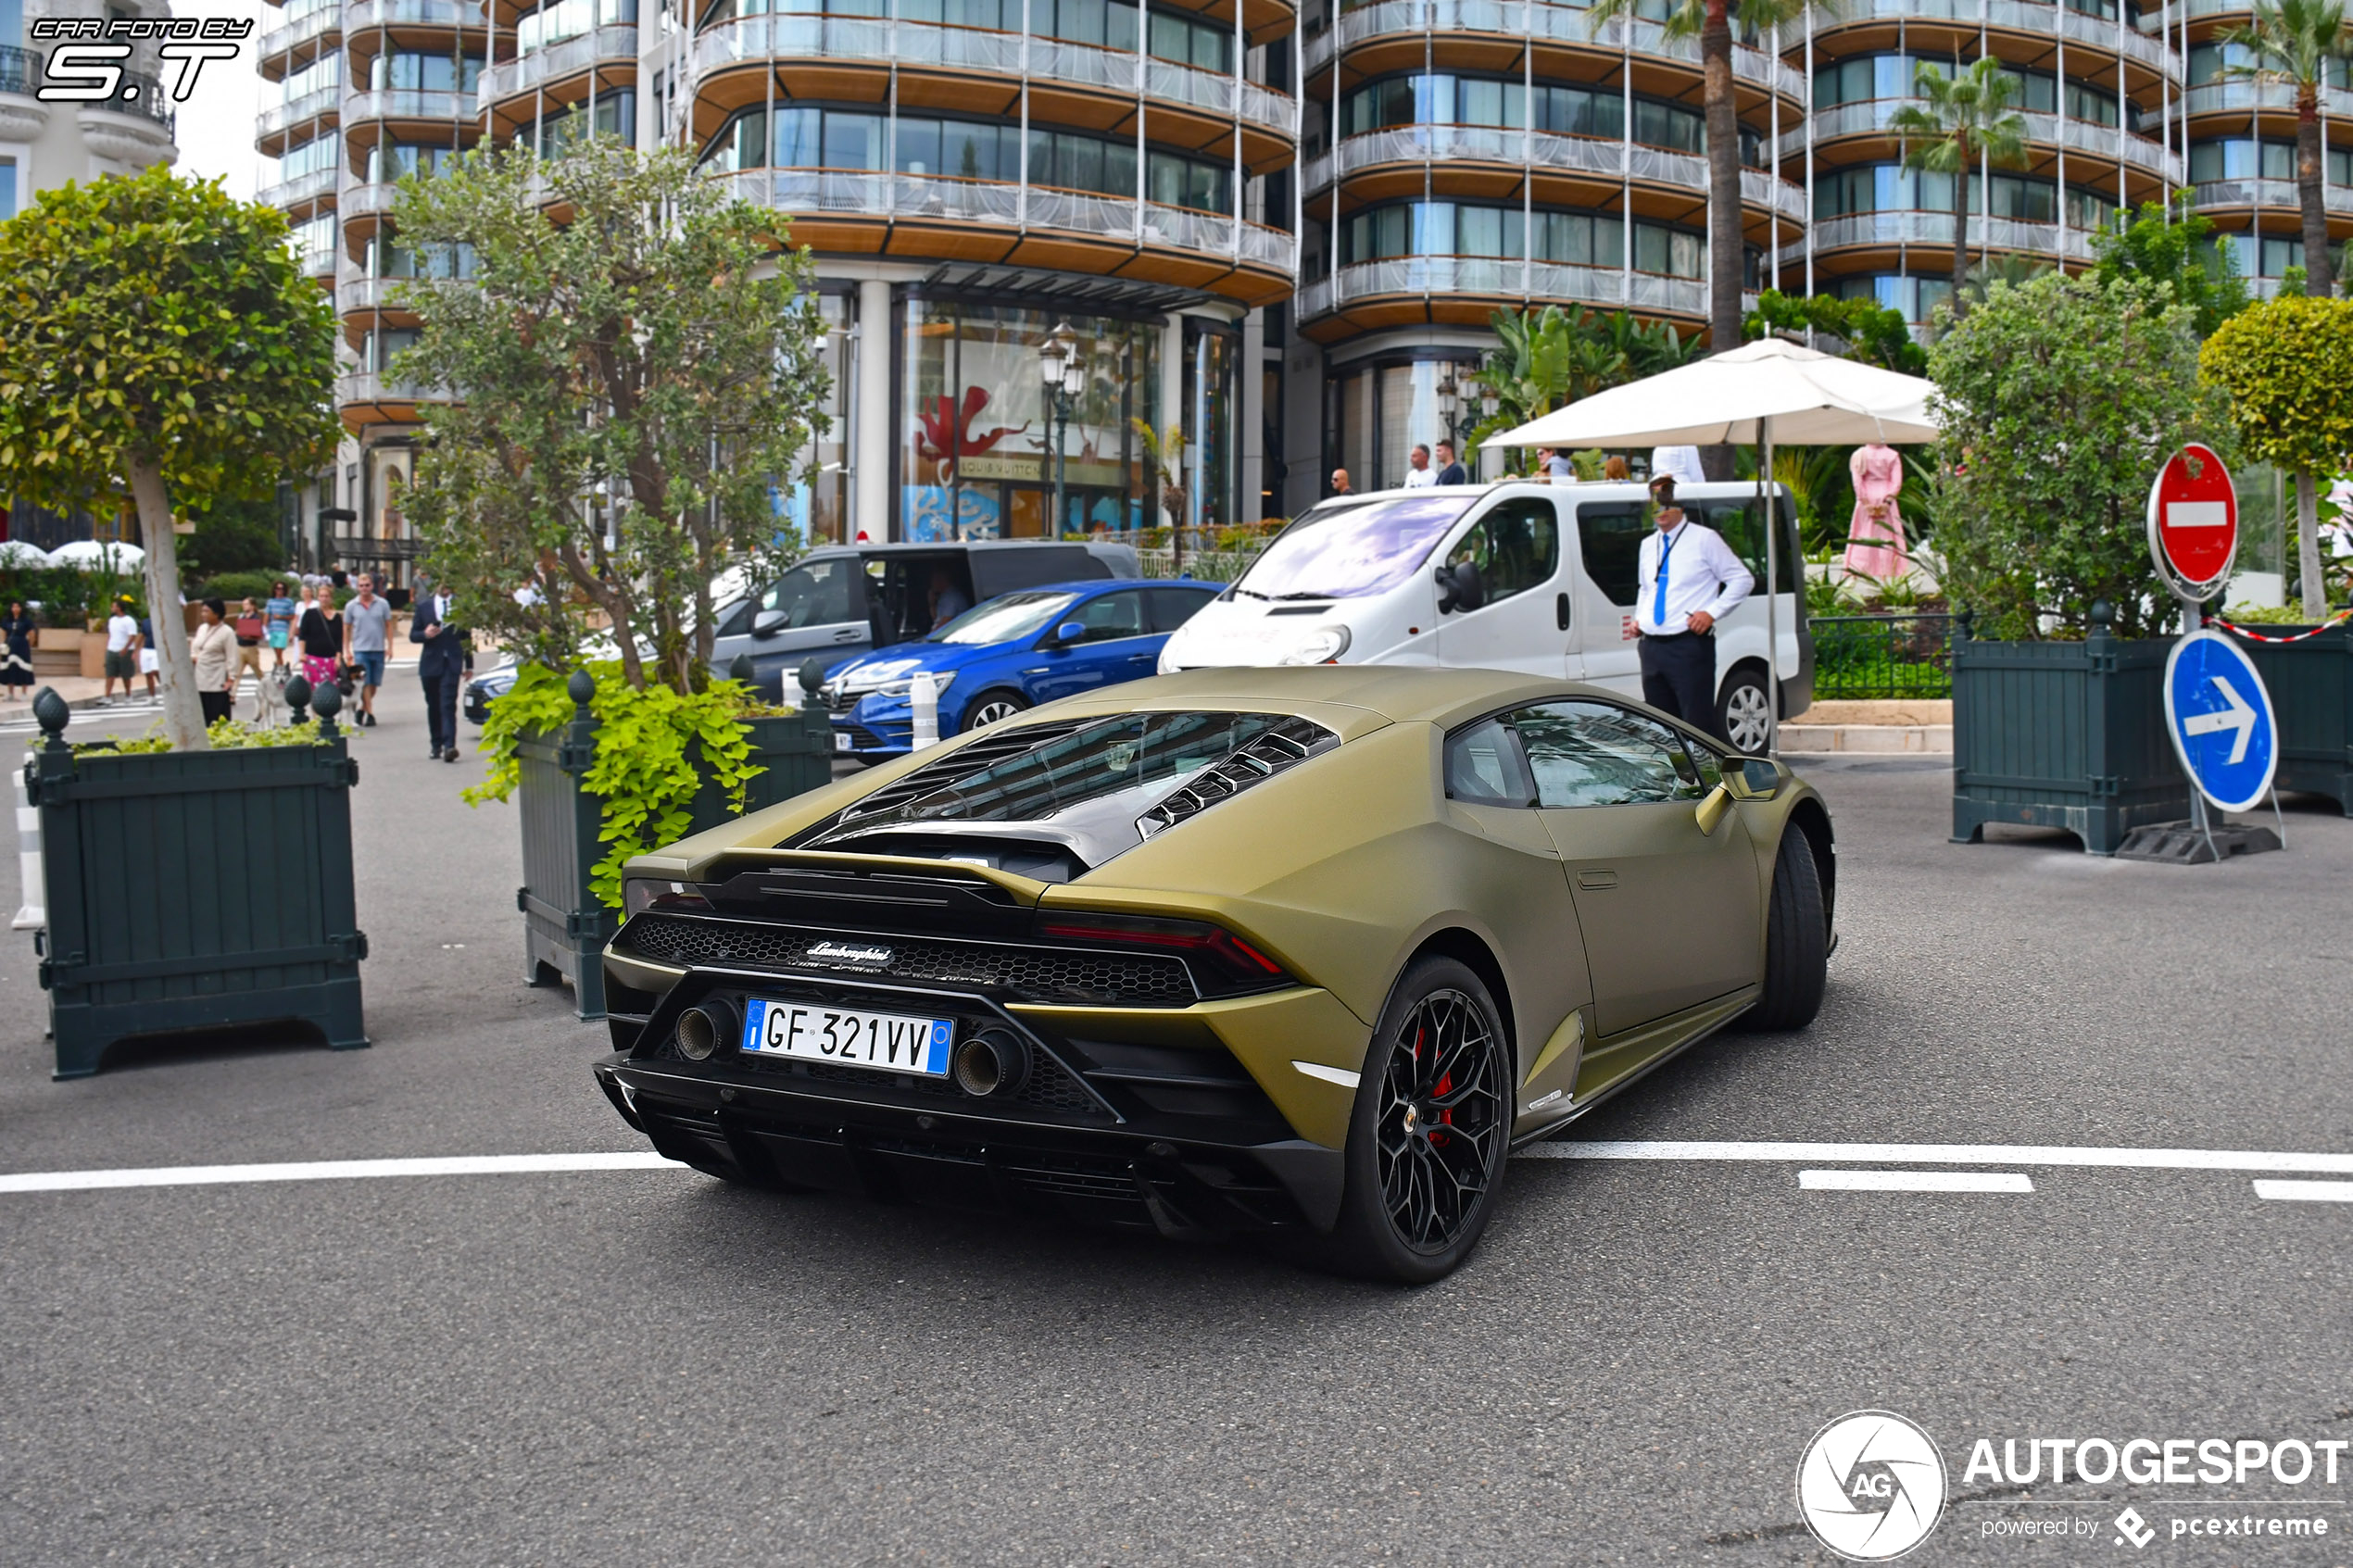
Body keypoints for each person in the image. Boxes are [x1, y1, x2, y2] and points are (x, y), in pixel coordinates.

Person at [1635, 476, 1753, 743]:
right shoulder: (1647, 545)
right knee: (1661, 727)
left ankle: (1707, 781)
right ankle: (1677, 780)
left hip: (1687, 646)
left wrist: (1712, 612)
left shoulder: (1704, 539)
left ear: (1681, 504)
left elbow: (1742, 579)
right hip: (1652, 646)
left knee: (1696, 724)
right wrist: (1640, 618)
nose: (1660, 509)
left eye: (1666, 501)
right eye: (1655, 502)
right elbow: (1646, 588)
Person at [410, 581, 471, 761]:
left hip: (452, 661)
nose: (446, 587)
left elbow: (466, 637)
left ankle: (449, 746)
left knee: (447, 703)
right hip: (430, 662)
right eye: (442, 584)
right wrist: (425, 634)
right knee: (434, 704)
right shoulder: (424, 606)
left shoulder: (461, 605)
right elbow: (413, 635)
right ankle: (436, 744)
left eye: (449, 583)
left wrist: (470, 665)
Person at [1844, 441, 1908, 583]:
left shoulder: (1859, 454)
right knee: (1888, 535)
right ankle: (1887, 572)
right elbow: (1897, 482)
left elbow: (1857, 481)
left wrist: (1865, 502)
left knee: (1862, 533)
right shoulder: (1892, 455)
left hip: (1866, 495)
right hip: (1886, 495)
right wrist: (1888, 501)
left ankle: (1857, 570)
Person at [343, 572, 390, 727]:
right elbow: (347, 628)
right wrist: (347, 649)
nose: (364, 589)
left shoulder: (382, 604)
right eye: (361, 586)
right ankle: (370, 714)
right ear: (358, 587)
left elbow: (388, 625)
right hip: (361, 648)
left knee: (374, 684)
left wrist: (390, 646)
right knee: (365, 682)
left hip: (378, 648)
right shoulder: (351, 606)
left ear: (372, 586)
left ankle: (361, 710)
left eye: (367, 585)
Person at [190, 598, 238, 726]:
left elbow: (232, 656)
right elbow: (195, 648)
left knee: (216, 714)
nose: (203, 614)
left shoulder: (227, 632)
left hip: (217, 678)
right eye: (202, 611)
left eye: (207, 611)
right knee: (202, 713)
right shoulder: (201, 628)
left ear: (217, 613)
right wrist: (194, 657)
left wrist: (231, 678)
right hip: (199, 676)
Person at [296, 586, 343, 691]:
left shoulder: (337, 617)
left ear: (331, 598)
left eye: (326, 596)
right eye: (321, 596)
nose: (324, 599)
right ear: (318, 597)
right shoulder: (310, 614)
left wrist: (338, 657)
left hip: (330, 659)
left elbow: (339, 639)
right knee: (314, 691)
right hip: (313, 659)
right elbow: (302, 635)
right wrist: (301, 653)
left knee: (330, 692)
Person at [102, 596, 140, 706]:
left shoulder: (129, 621)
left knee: (126, 674)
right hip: (112, 649)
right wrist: (107, 646)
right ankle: (107, 696)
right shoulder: (112, 620)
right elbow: (111, 635)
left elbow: (132, 636)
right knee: (110, 674)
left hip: (125, 651)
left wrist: (126, 648)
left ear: (119, 608)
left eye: (114, 606)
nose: (112, 608)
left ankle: (128, 694)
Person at [233, 597, 267, 707]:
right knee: (237, 673)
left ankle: (267, 688)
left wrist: (251, 635)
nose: (244, 606)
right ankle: (232, 695)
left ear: (252, 606)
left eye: (247, 604)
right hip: (240, 647)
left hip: (251, 648)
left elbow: (259, 634)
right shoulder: (241, 617)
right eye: (243, 604)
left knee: (257, 671)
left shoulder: (256, 618)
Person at [0, 601, 34, 701]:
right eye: (13, 607)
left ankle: (24, 693)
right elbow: (2, 632)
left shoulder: (26, 620)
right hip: (9, 647)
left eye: (17, 607)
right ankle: (10, 694)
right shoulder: (7, 620)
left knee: (23, 668)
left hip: (22, 646)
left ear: (21, 608)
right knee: (10, 668)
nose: (15, 609)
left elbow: (32, 633)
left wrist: (29, 644)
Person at [264, 580, 296, 671]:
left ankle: (279, 667)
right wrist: (264, 628)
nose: (279, 590)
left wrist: (281, 617)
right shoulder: (270, 601)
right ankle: (279, 666)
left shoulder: (288, 602)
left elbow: (292, 616)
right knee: (276, 651)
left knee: (279, 651)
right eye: (277, 588)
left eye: (282, 589)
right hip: (272, 629)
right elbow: (267, 615)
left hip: (282, 629)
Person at [926, 564, 971, 631]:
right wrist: (932, 604)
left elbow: (945, 623)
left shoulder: (951, 597)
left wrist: (928, 638)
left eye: (933, 580)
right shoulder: (944, 596)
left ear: (941, 580)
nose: (932, 584)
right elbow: (936, 619)